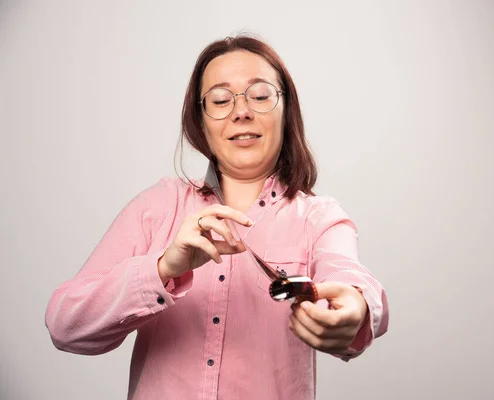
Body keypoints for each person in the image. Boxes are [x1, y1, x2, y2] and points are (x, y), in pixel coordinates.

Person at [45, 34, 389, 400]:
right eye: (221, 100)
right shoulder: (155, 207)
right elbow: (66, 326)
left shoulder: (320, 219)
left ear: (285, 111)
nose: (241, 111)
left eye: (259, 95)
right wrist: (162, 269)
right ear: (201, 121)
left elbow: (347, 276)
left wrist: (356, 307)